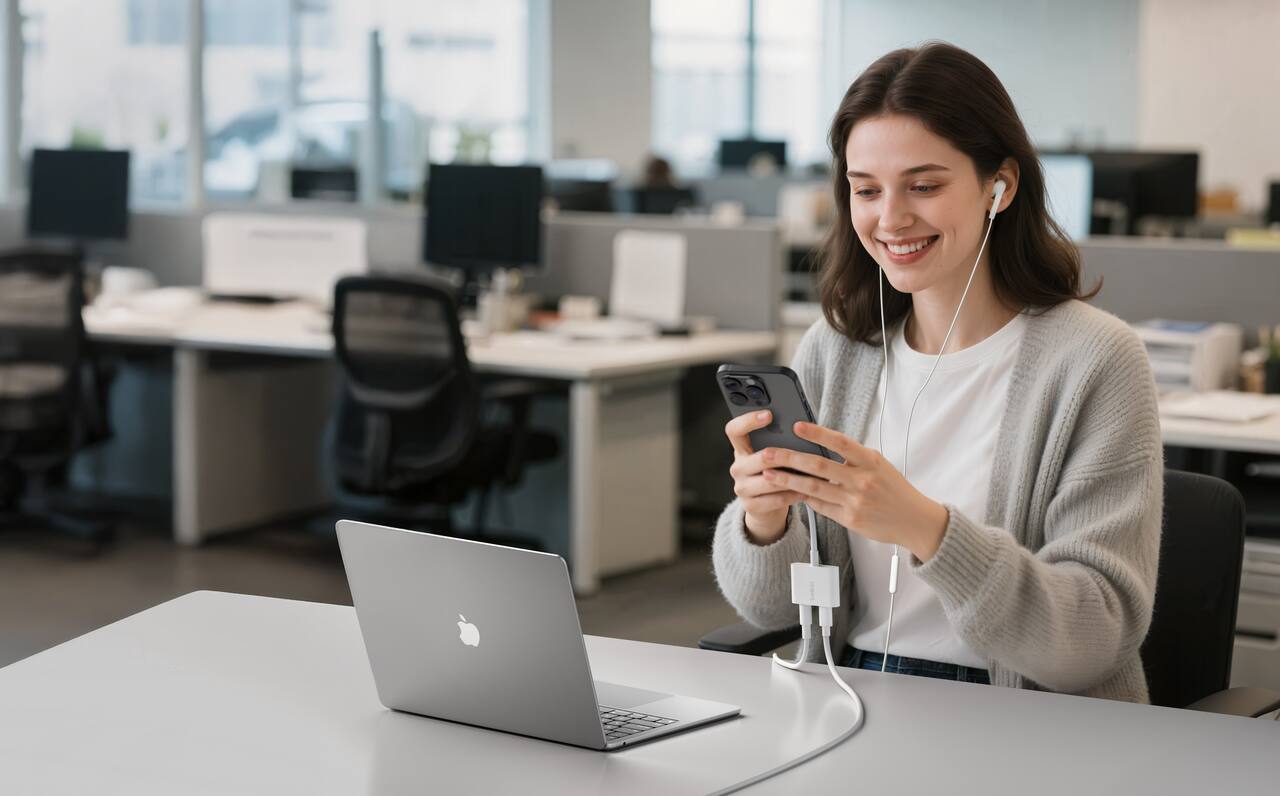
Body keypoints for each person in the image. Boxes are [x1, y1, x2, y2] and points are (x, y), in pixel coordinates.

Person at [711, 42, 1162, 702]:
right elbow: (773, 614)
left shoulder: (1095, 362)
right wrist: (763, 522)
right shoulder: (836, 350)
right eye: (866, 190)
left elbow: (1092, 642)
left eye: (923, 186)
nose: (890, 219)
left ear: (999, 186)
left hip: (1027, 722)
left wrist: (926, 527)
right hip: (849, 697)